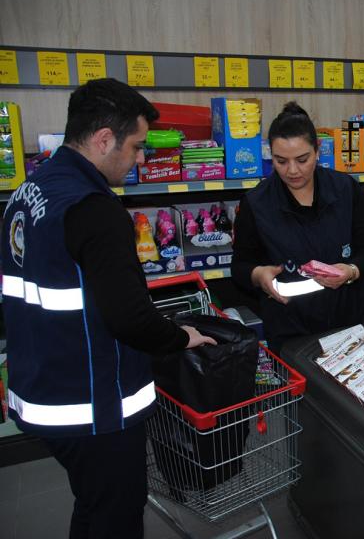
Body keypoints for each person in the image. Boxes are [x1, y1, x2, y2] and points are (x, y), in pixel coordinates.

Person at [1, 78, 215, 539]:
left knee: (94, 505)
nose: (141, 160)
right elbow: (129, 317)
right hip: (91, 403)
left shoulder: (30, 190)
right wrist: (181, 337)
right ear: (103, 139)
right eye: (136, 146)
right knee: (115, 516)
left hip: (42, 387)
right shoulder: (94, 209)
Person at [232, 102, 364, 351]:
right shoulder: (256, 203)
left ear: (317, 150)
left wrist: (351, 271)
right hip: (291, 331)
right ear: (270, 155)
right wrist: (258, 275)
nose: (292, 171)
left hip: (350, 322)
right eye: (281, 161)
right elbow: (240, 266)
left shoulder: (346, 189)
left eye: (302, 160)